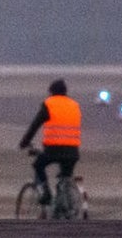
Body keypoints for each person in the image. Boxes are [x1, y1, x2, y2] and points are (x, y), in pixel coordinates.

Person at [18, 78, 82, 206]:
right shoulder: (74, 105)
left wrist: (24, 142)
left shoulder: (49, 104)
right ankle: (68, 206)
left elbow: (35, 125)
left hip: (53, 150)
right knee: (65, 175)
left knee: (38, 165)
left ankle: (46, 193)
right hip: (73, 152)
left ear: (51, 92)